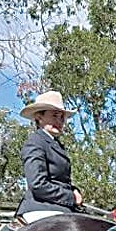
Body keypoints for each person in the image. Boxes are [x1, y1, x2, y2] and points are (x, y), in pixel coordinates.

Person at [16, 90, 83, 223]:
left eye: (62, 117)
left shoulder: (56, 144)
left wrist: (74, 191)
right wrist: (71, 197)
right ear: (39, 117)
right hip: (40, 208)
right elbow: (38, 184)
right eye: (54, 116)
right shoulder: (35, 142)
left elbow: (61, 180)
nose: (59, 121)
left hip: (59, 207)